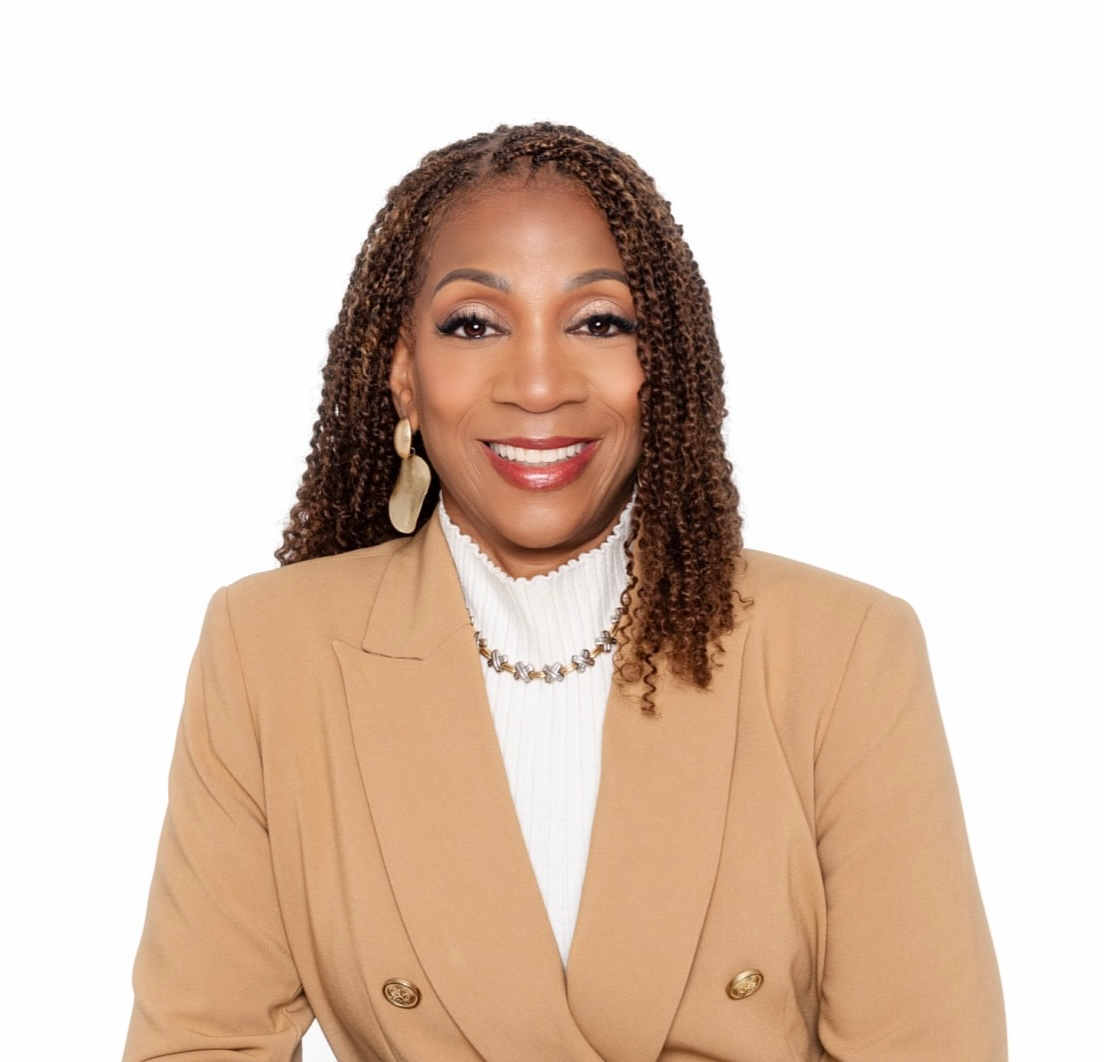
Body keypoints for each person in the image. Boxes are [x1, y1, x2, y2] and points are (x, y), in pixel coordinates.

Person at [124, 123, 1006, 1061]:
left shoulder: (842, 652)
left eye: (599, 323)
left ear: (660, 365)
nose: (539, 385)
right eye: (473, 324)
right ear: (403, 377)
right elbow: (197, 1044)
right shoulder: (269, 652)